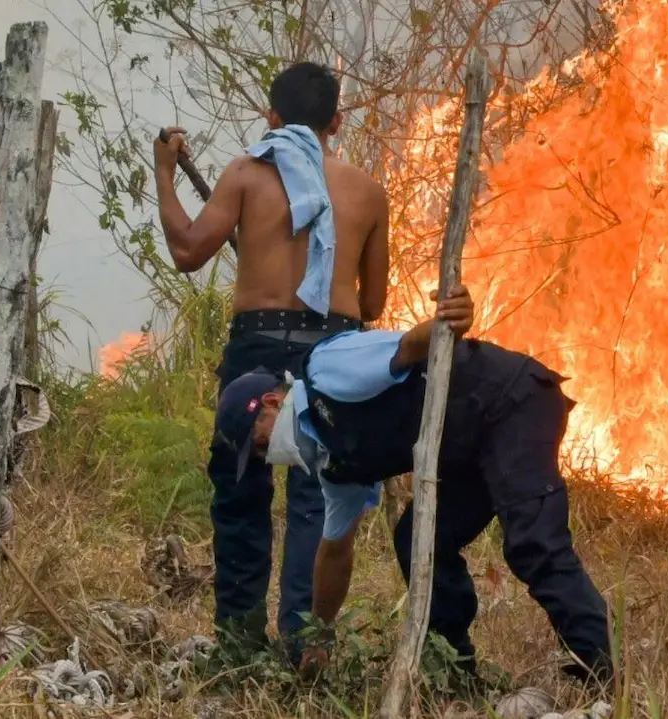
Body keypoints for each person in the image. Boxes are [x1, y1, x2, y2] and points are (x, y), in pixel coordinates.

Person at [210, 284, 614, 688]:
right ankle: (456, 673)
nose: (267, 455)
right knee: (419, 538)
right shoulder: (332, 462)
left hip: (509, 403)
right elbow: (334, 551)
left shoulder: (325, 369)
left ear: (270, 403)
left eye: (260, 443)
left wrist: (449, 321)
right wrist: (319, 637)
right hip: (466, 447)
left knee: (532, 543)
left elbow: (406, 349)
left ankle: (603, 671)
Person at [152, 61, 392, 664]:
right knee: (317, 494)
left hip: (257, 347)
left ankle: (237, 644)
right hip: (333, 352)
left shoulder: (246, 175)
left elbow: (187, 252)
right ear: (337, 121)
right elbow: (372, 303)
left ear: (272, 117)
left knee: (239, 487)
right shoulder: (367, 191)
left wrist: (163, 173)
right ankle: (304, 646)